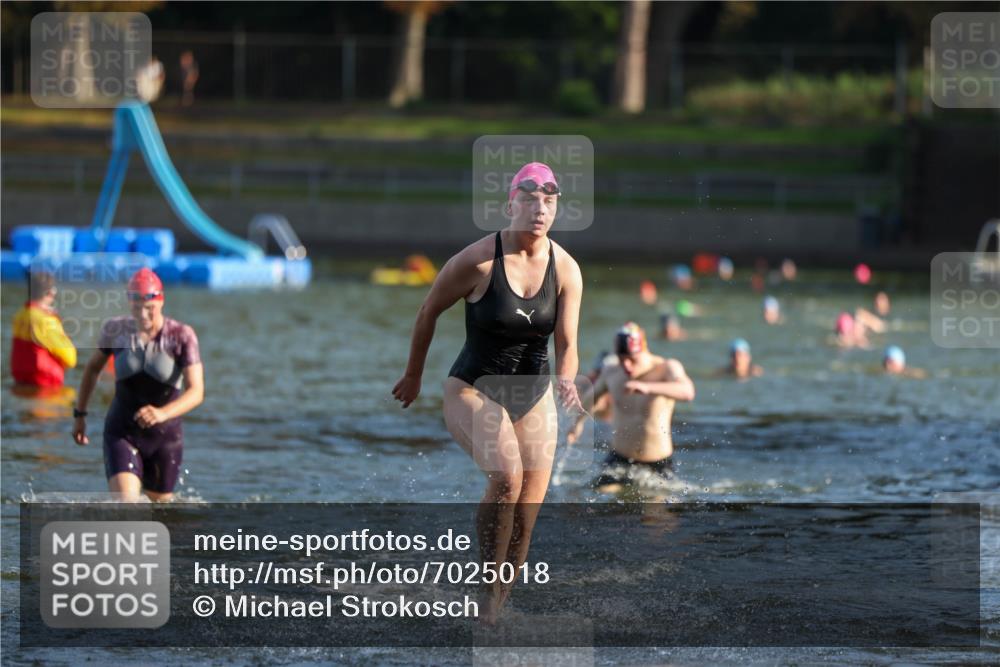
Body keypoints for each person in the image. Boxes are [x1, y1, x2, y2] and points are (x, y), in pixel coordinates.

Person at [391, 161, 583, 624]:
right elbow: (427, 310)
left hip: (533, 395)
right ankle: (484, 590)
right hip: (473, 388)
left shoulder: (567, 269)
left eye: (549, 201)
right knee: (506, 476)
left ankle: (496, 601)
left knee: (527, 514)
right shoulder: (477, 260)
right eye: (530, 199)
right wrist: (414, 374)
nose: (539, 209)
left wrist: (567, 377)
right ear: (510, 204)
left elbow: (568, 342)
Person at [72, 269, 204, 502]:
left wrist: (162, 413)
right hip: (122, 431)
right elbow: (92, 369)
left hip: (165, 437)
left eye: (149, 308)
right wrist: (80, 414)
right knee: (126, 507)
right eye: (136, 307)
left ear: (161, 300)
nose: (142, 315)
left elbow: (196, 391)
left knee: (161, 512)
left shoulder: (181, 336)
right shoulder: (115, 330)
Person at [567, 323, 695, 494]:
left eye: (632, 359)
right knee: (594, 499)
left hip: (657, 463)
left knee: (656, 514)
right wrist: (577, 424)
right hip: (619, 459)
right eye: (621, 359)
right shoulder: (611, 371)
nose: (626, 365)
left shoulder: (666, 368)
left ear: (644, 349)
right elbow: (592, 397)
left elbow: (688, 392)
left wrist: (649, 388)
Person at [11, 271, 77, 389]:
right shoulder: (46, 321)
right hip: (45, 386)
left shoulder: (20, 315)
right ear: (50, 292)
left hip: (20, 383)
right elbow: (70, 358)